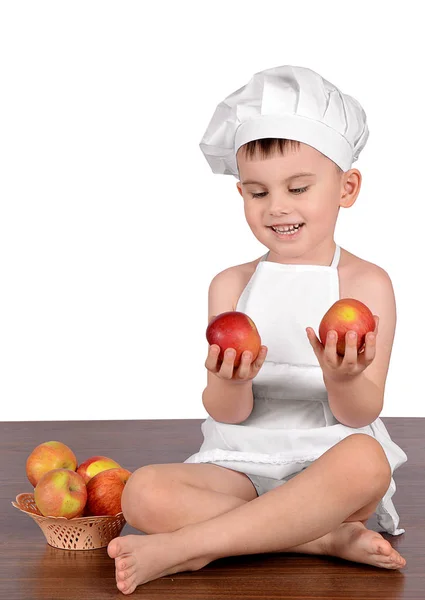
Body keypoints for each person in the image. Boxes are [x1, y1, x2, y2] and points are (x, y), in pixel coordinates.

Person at [107, 65, 408, 594]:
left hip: (329, 468)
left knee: (367, 460)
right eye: (257, 192)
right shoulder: (231, 285)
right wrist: (230, 381)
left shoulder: (366, 282)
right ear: (241, 194)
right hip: (241, 466)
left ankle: (186, 545)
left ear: (347, 188)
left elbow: (361, 413)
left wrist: (342, 379)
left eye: (297, 187)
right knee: (142, 492)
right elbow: (228, 414)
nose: (278, 207)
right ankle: (318, 540)